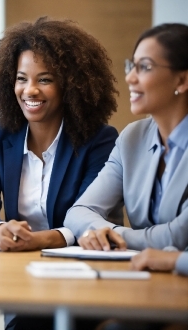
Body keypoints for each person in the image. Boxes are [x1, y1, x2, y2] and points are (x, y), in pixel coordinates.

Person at [0, 16, 119, 330]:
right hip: (19, 274)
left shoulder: (99, 140)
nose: (30, 90)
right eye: (21, 78)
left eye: (45, 79)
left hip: (82, 277)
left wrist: (40, 240)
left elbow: (92, 219)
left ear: (70, 84)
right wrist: (1, 231)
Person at [65, 23, 188, 253]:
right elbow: (78, 211)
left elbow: (178, 235)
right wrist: (106, 233)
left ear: (181, 81)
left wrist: (114, 236)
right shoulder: (133, 137)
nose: (130, 77)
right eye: (132, 66)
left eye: (145, 67)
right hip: (142, 279)